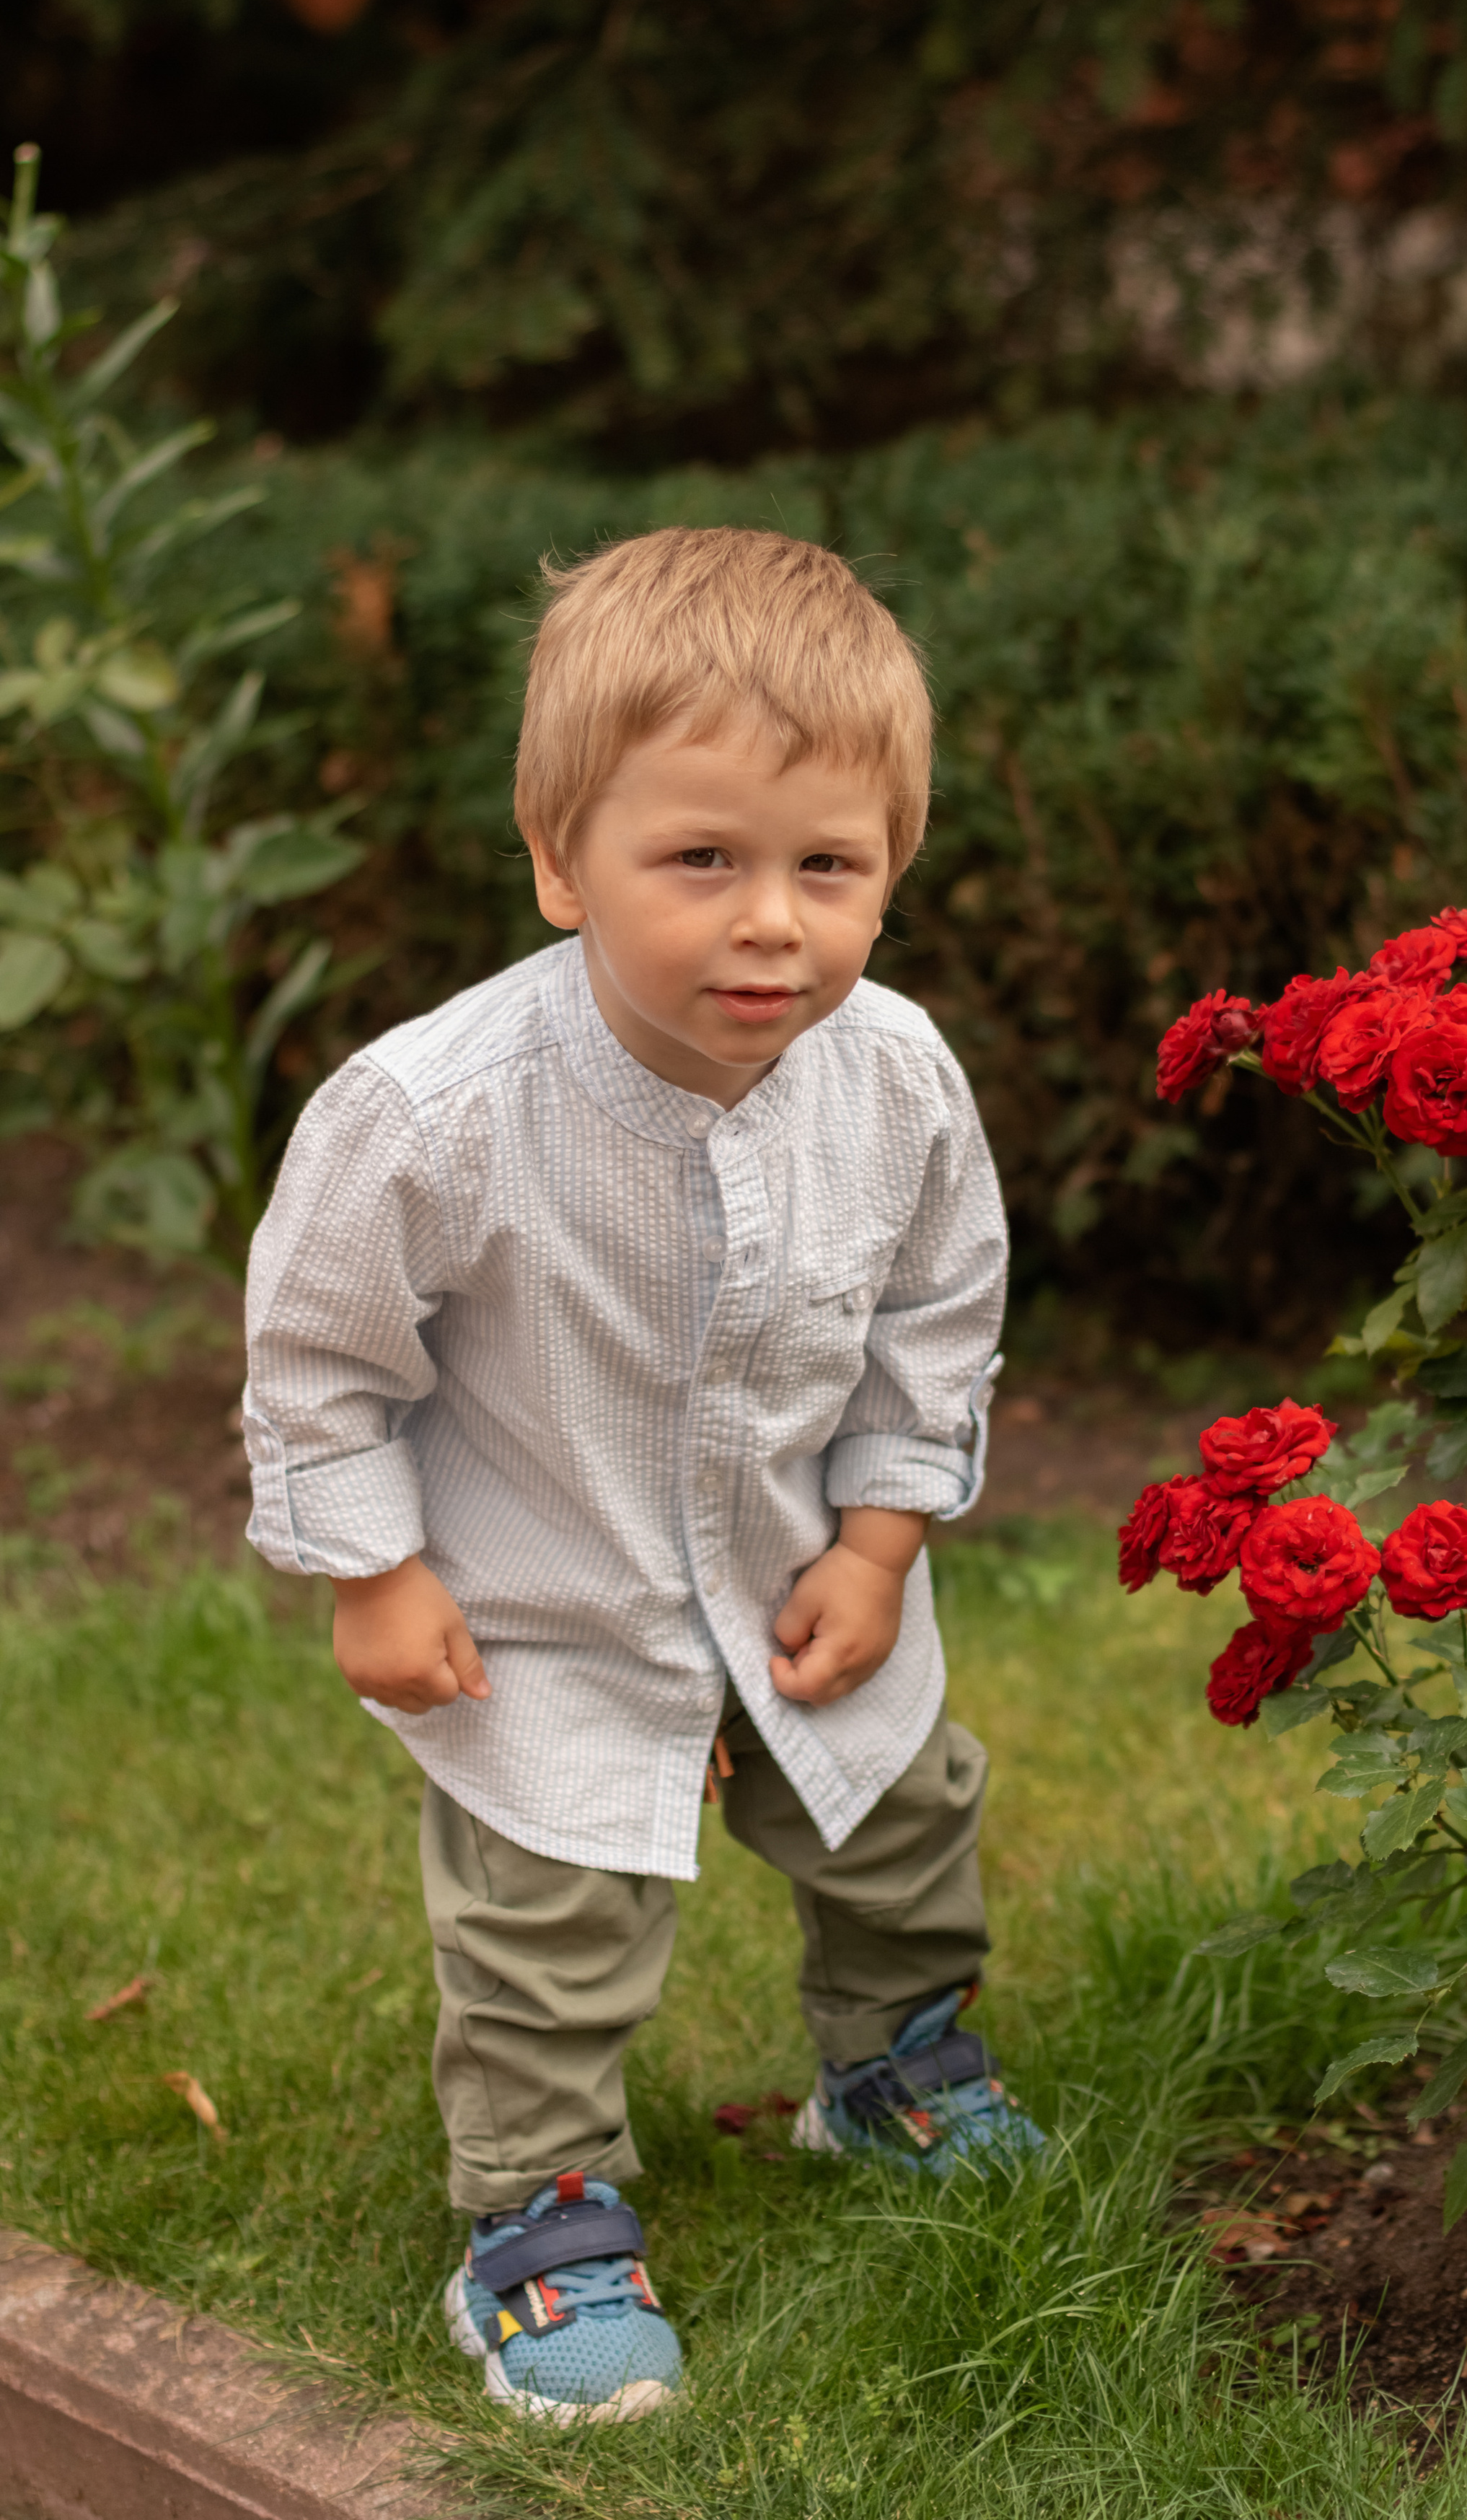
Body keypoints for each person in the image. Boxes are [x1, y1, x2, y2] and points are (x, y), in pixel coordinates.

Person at [242, 525, 1041, 2428]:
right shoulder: (431, 1117)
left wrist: (882, 1534)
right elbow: (323, 1359)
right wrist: (375, 1570)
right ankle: (543, 2216)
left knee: (902, 1824)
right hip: (549, 1606)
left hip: (800, 1579)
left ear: (891, 877)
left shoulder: (902, 1083)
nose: (772, 921)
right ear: (558, 862)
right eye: (703, 861)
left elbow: (939, 1317)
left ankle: (895, 2066)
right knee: (547, 1924)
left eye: (828, 869)